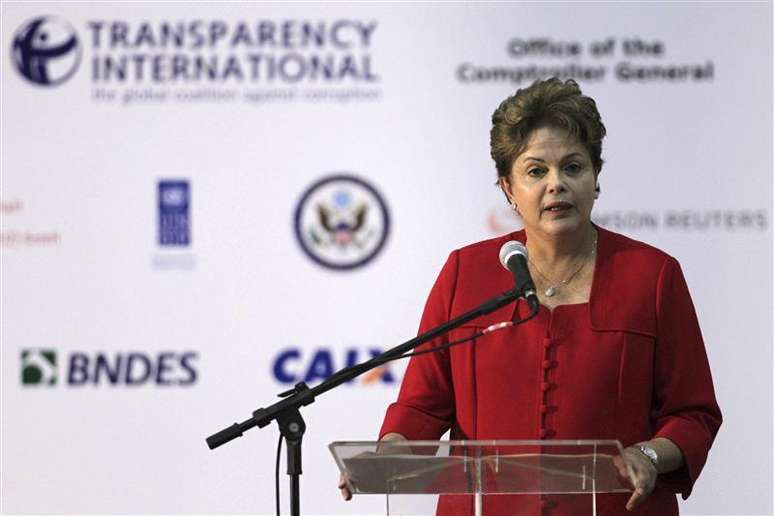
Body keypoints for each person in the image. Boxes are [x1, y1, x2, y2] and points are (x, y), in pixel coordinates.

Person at [338, 78, 722, 515]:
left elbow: (693, 413)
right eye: (536, 171)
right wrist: (391, 451)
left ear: (596, 179)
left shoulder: (651, 275)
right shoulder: (466, 273)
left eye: (573, 167)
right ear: (508, 188)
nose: (556, 184)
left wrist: (648, 456)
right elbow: (421, 406)